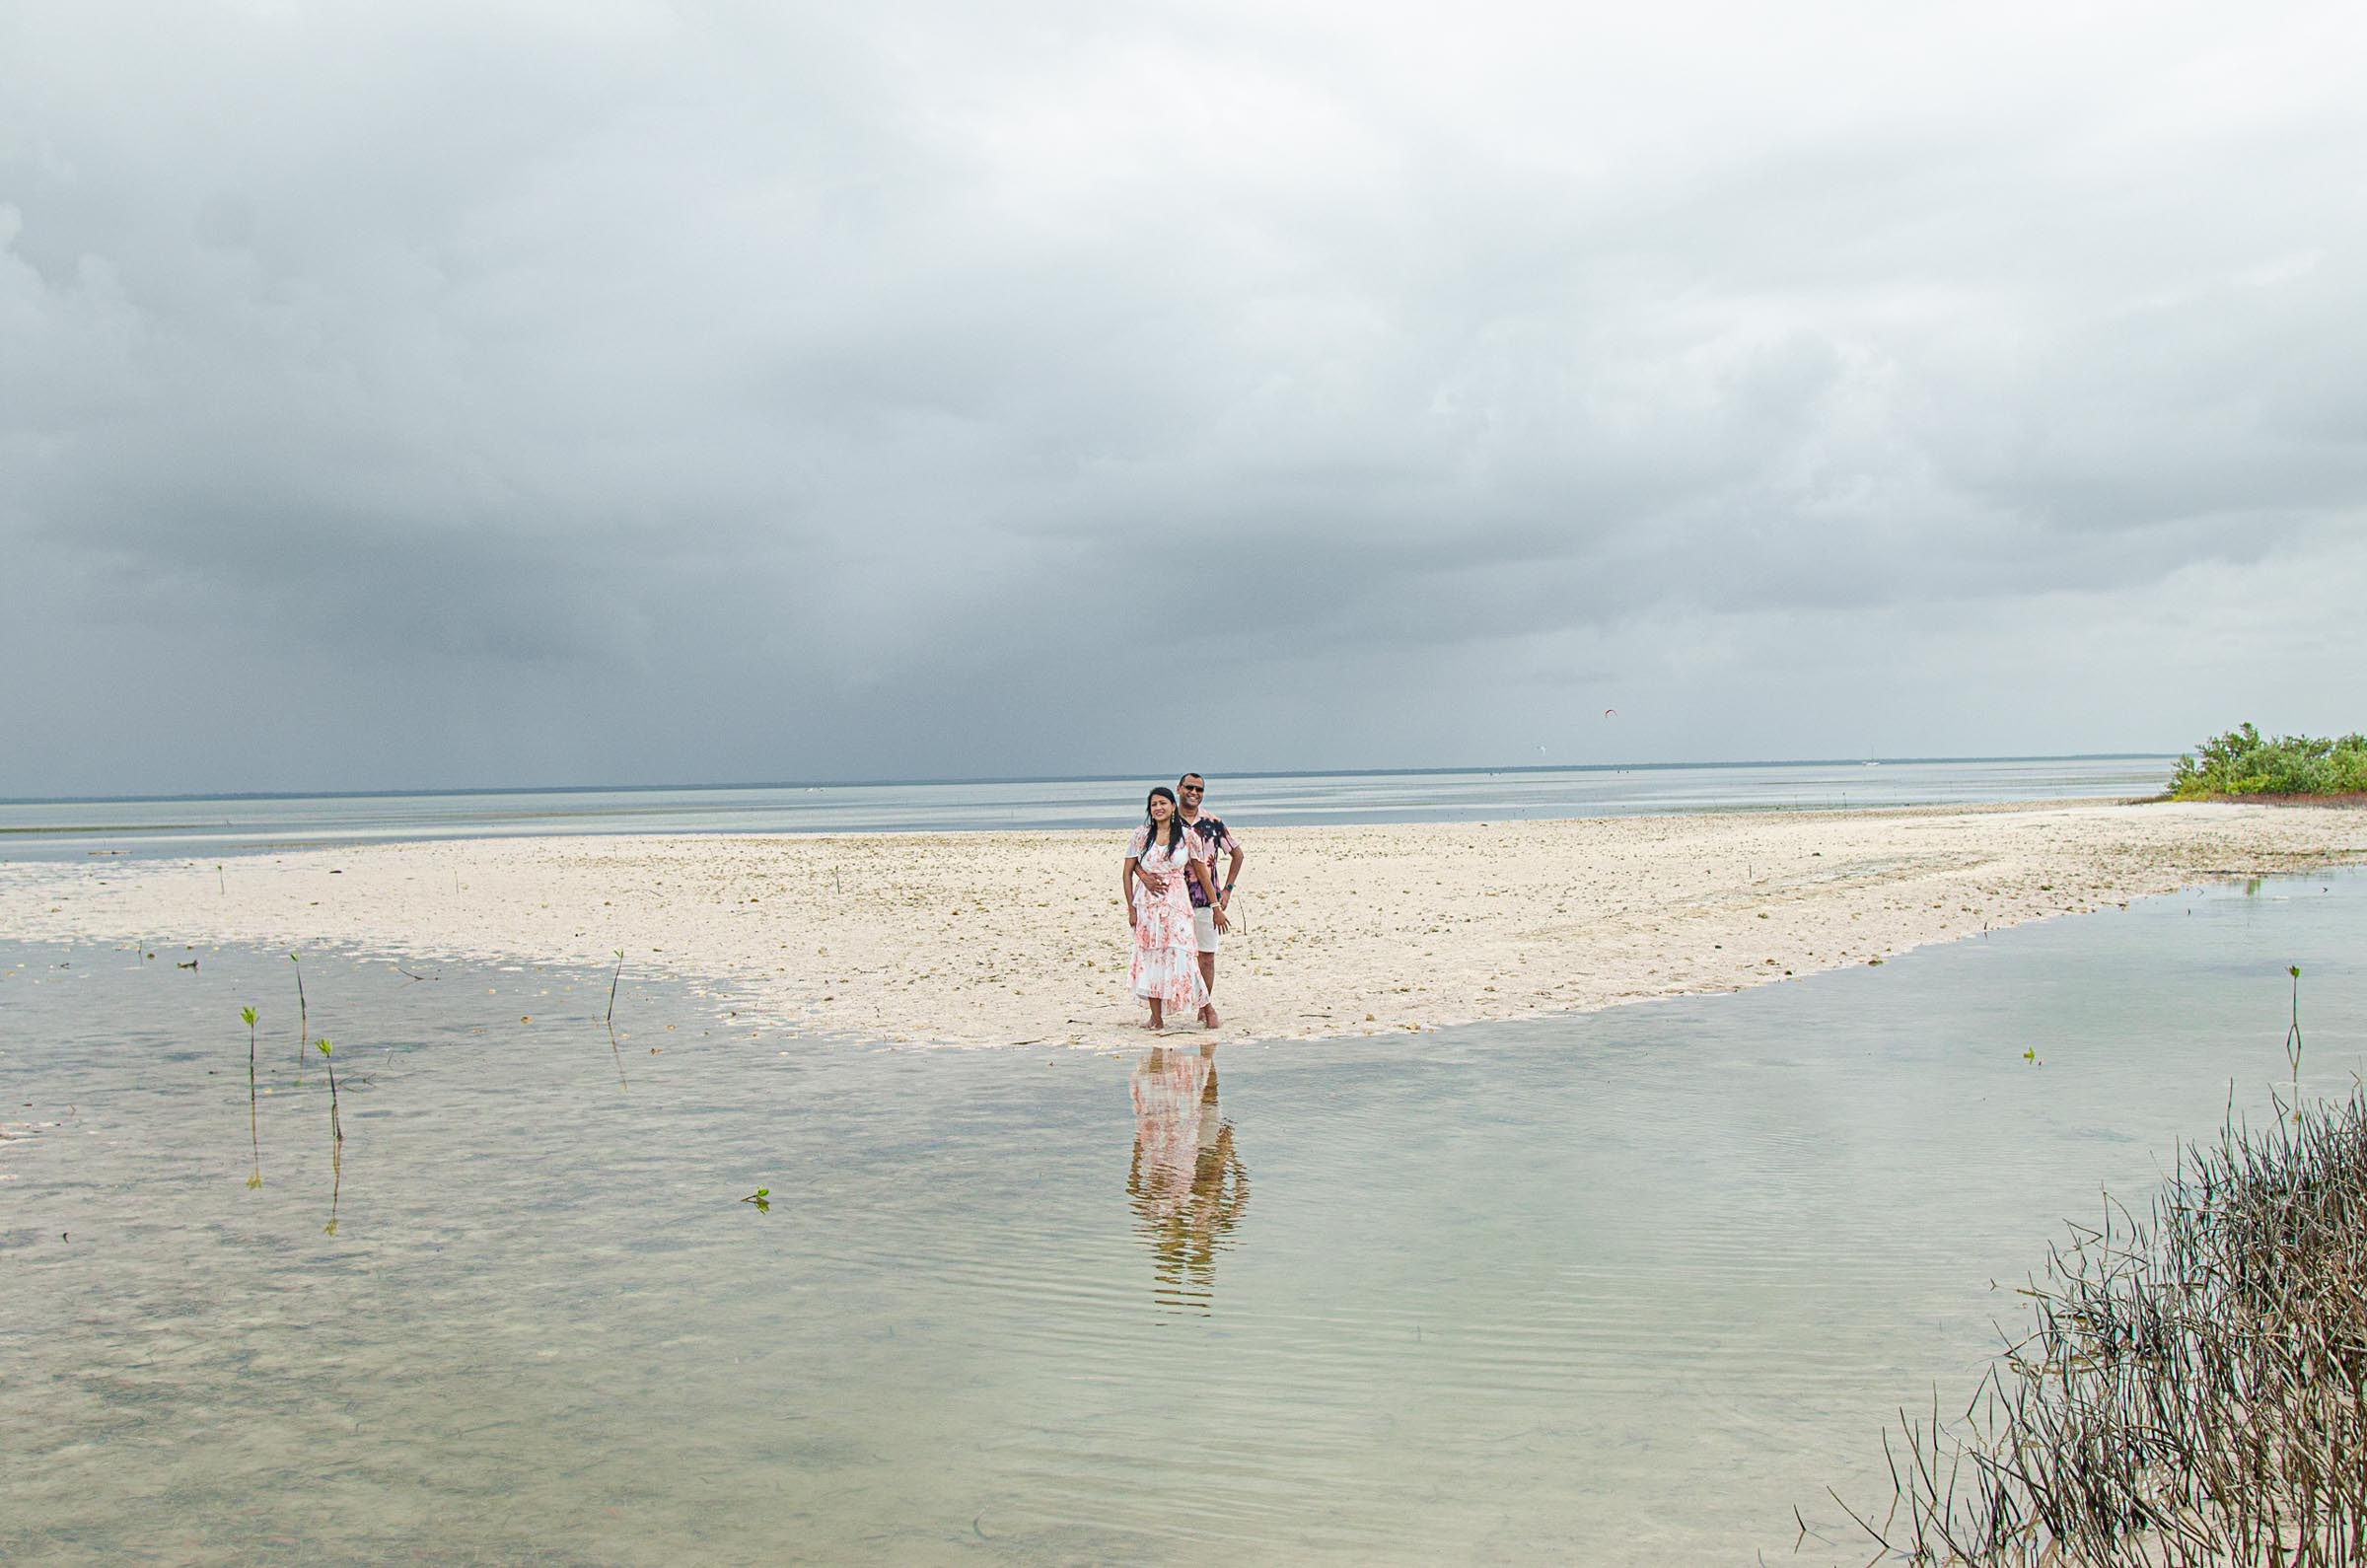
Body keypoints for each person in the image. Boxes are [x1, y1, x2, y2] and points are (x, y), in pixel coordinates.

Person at [1122, 786, 1226, 1029]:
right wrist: (1131, 908)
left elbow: (1202, 873)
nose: (1158, 808)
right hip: (1147, 905)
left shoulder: (1188, 836)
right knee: (1150, 957)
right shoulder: (1141, 834)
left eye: (1163, 803)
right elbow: (1127, 871)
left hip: (1177, 902)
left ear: (1172, 807)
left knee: (1184, 955)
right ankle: (1156, 1018)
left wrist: (1215, 906)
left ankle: (1207, 1009)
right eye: (1153, 804)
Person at [1174, 773, 1244, 1027]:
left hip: (1207, 899)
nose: (1194, 792)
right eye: (1189, 787)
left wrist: (1227, 890)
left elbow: (1237, 855)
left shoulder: (1212, 822)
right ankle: (1168, 1010)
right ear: (1179, 789)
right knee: (1175, 956)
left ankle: (1204, 1008)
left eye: (1199, 789)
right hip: (1173, 900)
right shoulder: (1166, 821)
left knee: (1207, 957)